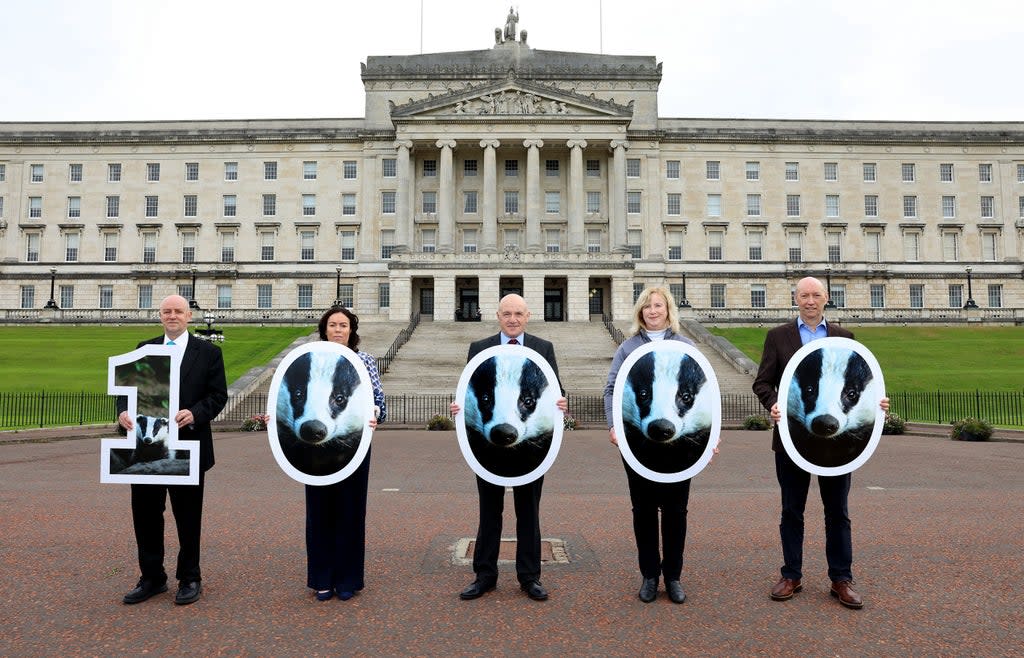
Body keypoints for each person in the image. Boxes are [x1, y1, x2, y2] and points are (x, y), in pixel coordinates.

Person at [752, 277, 888, 610]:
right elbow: (762, 382)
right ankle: (791, 574)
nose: (810, 301)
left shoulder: (845, 337)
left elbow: (860, 386)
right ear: (795, 299)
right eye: (803, 296)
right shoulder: (778, 337)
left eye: (815, 295)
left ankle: (841, 578)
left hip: (838, 444)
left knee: (837, 512)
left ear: (826, 298)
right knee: (791, 511)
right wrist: (773, 403)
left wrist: (877, 404)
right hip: (792, 438)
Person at [451, 294, 568, 602]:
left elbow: (555, 389)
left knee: (528, 511)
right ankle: (485, 575)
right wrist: (458, 406)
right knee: (489, 511)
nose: (512, 319)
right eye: (507, 313)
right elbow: (469, 389)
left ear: (528, 315)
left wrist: (561, 401)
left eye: (518, 313)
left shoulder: (543, 349)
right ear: (497, 315)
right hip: (487, 446)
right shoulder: (480, 349)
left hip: (530, 446)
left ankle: (529, 577)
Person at [117, 294, 228, 605]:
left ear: (189, 316)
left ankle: (189, 576)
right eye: (167, 311)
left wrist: (195, 413)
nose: (172, 316)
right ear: (160, 315)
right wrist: (123, 412)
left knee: (188, 516)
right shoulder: (144, 349)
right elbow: (125, 390)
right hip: (146, 448)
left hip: (188, 446)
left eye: (178, 311)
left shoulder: (208, 352)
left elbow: (218, 396)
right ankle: (152, 577)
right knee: (146, 515)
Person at [603, 286, 710, 604]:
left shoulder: (686, 346)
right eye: (647, 306)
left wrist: (708, 436)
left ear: (668, 310)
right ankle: (650, 575)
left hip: (681, 445)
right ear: (640, 311)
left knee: (677, 511)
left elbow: (704, 395)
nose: (653, 311)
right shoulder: (627, 348)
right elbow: (612, 388)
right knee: (644, 510)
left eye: (658, 305)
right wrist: (613, 425)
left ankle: (673, 576)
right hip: (638, 442)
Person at [306, 306, 386, 601]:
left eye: (343, 325)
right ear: (324, 329)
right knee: (319, 511)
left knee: (351, 512)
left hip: (354, 445)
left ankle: (349, 578)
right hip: (314, 447)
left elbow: (379, 399)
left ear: (351, 331)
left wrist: (377, 414)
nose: (338, 330)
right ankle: (321, 578)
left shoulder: (365, 361)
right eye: (333, 325)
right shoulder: (309, 358)